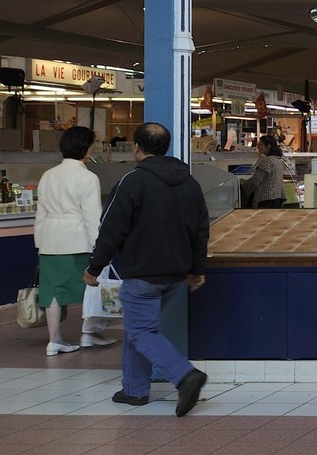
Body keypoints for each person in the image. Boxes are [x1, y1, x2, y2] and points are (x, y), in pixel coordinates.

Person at [84, 123, 210, 417]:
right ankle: (134, 389)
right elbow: (200, 230)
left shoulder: (132, 182)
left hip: (142, 273)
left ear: (136, 148)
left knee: (141, 330)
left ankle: (185, 375)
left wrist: (95, 266)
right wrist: (196, 268)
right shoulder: (189, 184)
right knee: (138, 329)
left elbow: (111, 229)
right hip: (176, 275)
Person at [33, 126, 116, 355]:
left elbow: (40, 213)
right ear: (88, 149)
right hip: (77, 240)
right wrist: (100, 249)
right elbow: (91, 217)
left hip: (50, 241)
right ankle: (89, 334)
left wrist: (40, 242)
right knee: (92, 288)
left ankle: (54, 340)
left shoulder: (48, 175)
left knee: (53, 292)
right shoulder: (87, 177)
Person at [249, 136, 288, 208]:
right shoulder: (278, 160)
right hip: (278, 197)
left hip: (266, 199)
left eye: (260, 145)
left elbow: (255, 181)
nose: (258, 147)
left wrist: (243, 186)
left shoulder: (267, 161)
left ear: (268, 146)